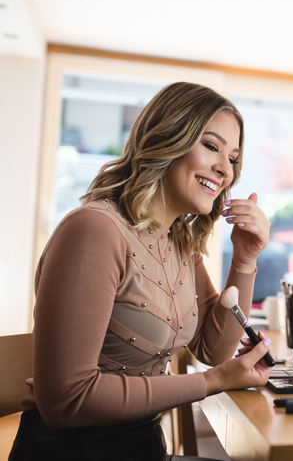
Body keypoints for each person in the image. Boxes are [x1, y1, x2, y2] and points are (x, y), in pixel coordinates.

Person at [9, 82, 275, 461]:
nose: (225, 170)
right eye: (212, 146)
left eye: (233, 158)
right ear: (167, 138)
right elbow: (66, 399)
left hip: (145, 449)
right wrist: (212, 382)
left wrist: (245, 259)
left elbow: (214, 349)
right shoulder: (93, 232)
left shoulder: (177, 241)